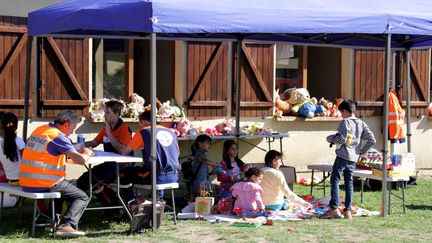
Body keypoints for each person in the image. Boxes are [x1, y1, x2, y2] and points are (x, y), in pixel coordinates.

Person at [19, 111, 93, 238]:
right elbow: (81, 160)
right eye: (73, 128)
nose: (72, 132)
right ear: (65, 125)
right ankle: (66, 225)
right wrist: (87, 153)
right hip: (44, 182)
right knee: (83, 197)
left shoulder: (40, 130)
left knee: (64, 188)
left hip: (26, 181)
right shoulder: (58, 137)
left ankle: (52, 220)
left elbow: (44, 157)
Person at [321, 99, 376, 219]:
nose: (341, 115)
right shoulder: (361, 123)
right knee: (349, 182)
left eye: (341, 112)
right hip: (353, 158)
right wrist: (361, 151)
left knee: (334, 180)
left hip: (342, 156)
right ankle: (348, 211)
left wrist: (330, 138)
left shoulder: (345, 122)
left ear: (345, 110)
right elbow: (372, 140)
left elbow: (342, 140)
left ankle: (334, 208)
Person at [76, 100, 132, 207]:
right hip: (108, 165)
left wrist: (109, 133)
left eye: (107, 113)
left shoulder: (124, 128)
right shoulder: (107, 128)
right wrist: (77, 146)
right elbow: (94, 142)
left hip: (121, 167)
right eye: (104, 112)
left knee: (96, 182)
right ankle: (108, 206)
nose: (104, 115)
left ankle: (112, 207)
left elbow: (122, 150)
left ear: (117, 114)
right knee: (83, 180)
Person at [119, 110, 180, 202]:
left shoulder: (144, 132)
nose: (139, 126)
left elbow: (125, 151)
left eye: (139, 123)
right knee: (154, 168)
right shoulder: (170, 132)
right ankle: (158, 201)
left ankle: (131, 207)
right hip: (174, 175)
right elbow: (177, 153)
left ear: (144, 122)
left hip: (156, 177)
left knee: (123, 174)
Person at [0, 112, 25, 185]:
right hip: (22, 180)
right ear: (16, 127)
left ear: (2, 126)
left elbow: (1, 166)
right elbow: (27, 159)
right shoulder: (18, 140)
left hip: (10, 180)